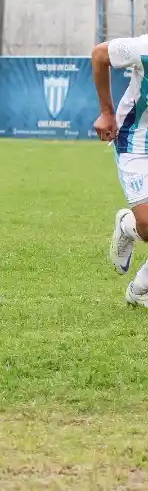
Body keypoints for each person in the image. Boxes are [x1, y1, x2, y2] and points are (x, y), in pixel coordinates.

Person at [94, 35, 148, 306]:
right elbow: (99, 55)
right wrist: (107, 112)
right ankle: (127, 225)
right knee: (147, 226)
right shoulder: (144, 48)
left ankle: (139, 290)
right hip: (136, 140)